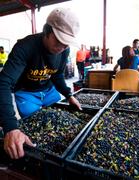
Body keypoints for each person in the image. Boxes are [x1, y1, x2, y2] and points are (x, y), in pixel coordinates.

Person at [0, 8, 82, 159]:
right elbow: (4, 82)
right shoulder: (25, 47)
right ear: (47, 31)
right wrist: (10, 127)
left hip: (49, 90)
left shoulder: (64, 50)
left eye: (66, 43)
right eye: (59, 41)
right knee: (33, 129)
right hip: (27, 93)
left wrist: (69, 95)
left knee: (61, 121)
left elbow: (57, 75)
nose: (63, 47)